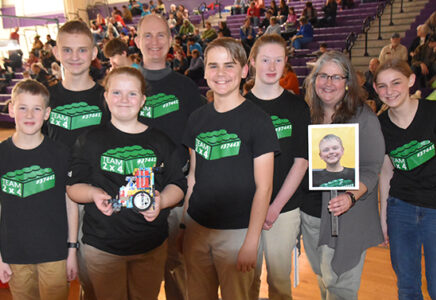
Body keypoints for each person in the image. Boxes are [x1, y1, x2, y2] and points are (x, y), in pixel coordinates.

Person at [66, 66, 186, 300]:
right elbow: (73, 187)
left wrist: (162, 201)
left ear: (142, 100)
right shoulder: (89, 140)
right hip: (102, 248)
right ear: (106, 97)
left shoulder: (160, 141)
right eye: (117, 92)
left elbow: (178, 185)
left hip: (150, 247)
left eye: (132, 94)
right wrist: (93, 194)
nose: (124, 100)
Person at [179, 37, 280, 300]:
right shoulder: (197, 119)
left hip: (238, 233)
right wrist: (183, 226)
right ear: (205, 71)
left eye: (229, 65)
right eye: (213, 66)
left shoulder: (259, 120)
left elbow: (264, 187)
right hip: (197, 229)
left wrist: (251, 241)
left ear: (245, 70)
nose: (220, 73)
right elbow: (193, 177)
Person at [301, 51, 385, 299]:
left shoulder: (364, 118)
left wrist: (350, 196)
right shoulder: (306, 116)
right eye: (323, 75)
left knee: (341, 288)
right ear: (314, 79)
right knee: (323, 281)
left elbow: (372, 168)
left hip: (346, 215)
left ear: (348, 83)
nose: (328, 83)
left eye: (336, 77)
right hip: (311, 215)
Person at [135, 14, 203, 300]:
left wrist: (192, 184)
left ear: (171, 40)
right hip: (133, 193)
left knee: (177, 267)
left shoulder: (185, 87)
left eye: (161, 34)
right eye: (147, 35)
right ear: (136, 41)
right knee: (139, 270)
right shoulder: (124, 85)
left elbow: (199, 140)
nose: (154, 42)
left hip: (174, 193)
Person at [245, 34, 310, 300]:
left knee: (280, 282)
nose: (272, 67)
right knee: (246, 279)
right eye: (265, 60)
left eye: (278, 60)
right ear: (252, 63)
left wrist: (275, 206)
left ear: (286, 63)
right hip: (246, 209)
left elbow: (301, 161)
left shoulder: (296, 106)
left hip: (283, 209)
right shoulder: (241, 106)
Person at [0, 79, 78, 299]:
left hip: (54, 253)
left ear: (47, 113)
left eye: (37, 108)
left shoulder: (61, 153)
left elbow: (70, 202)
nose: (29, 115)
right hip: (14, 253)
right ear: (11, 109)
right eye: (22, 107)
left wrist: (72, 250)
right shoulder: (2, 154)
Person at [49, 20, 110, 300]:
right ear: (56, 52)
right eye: (67, 50)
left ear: (95, 52)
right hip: (54, 201)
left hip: (96, 197)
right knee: (54, 280)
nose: (75, 57)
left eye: (82, 50)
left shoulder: (107, 98)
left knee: (96, 279)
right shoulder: (46, 97)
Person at [375, 59, 436, 300]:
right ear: (375, 89)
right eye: (382, 86)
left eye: (396, 83)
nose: (389, 91)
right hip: (400, 209)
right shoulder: (380, 126)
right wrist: (384, 217)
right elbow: (386, 172)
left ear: (411, 81)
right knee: (407, 288)